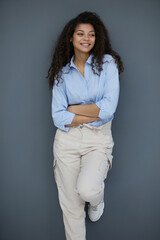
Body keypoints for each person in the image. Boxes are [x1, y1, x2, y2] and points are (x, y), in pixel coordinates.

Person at [46, 11, 124, 240]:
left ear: (97, 38)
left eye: (91, 34)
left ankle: (96, 200)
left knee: (88, 189)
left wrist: (73, 108)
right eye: (80, 33)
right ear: (71, 38)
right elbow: (58, 118)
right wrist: (93, 109)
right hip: (66, 141)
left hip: (97, 139)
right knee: (71, 209)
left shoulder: (107, 64)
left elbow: (108, 110)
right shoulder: (62, 74)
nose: (86, 38)